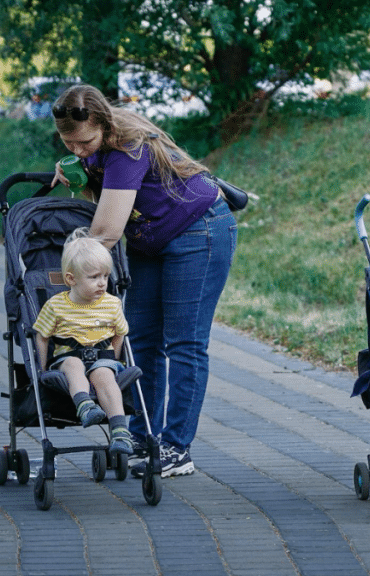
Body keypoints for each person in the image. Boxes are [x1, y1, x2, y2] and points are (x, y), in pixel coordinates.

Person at [50, 84, 237, 478]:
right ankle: (142, 434)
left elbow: (104, 233)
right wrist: (80, 174)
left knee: (184, 342)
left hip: (198, 231)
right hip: (153, 238)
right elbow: (98, 199)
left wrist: (70, 280)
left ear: (102, 124)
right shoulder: (97, 148)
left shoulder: (126, 148)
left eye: (84, 142)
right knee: (141, 338)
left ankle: (176, 447)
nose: (77, 149)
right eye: (68, 143)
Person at [33, 228, 132, 453]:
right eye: (94, 277)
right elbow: (42, 335)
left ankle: (119, 432)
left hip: (102, 357)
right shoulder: (56, 305)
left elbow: (120, 332)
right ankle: (85, 406)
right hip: (68, 356)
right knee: (73, 365)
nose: (102, 283)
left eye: (105, 276)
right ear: (71, 279)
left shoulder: (112, 304)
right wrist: (40, 367)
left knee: (106, 377)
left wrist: (113, 359)